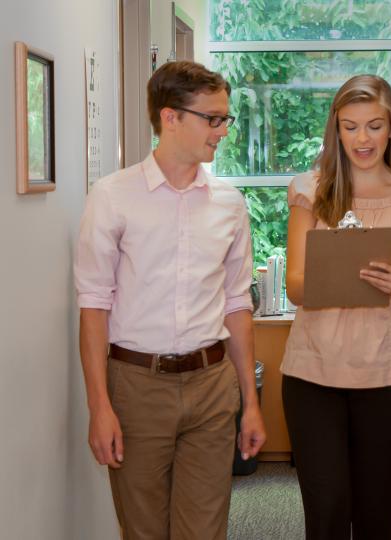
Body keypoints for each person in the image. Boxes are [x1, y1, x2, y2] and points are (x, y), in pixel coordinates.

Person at [74, 61, 266, 540]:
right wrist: (99, 406)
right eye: (212, 118)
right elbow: (94, 306)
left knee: (205, 530)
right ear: (170, 117)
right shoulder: (113, 197)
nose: (222, 130)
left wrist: (250, 402)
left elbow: (237, 304)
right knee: (143, 530)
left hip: (212, 385)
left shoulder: (229, 204)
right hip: (136, 385)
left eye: (226, 118)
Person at [281, 74, 391, 540]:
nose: (362, 139)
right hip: (314, 374)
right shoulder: (310, 191)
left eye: (374, 126)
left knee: (376, 514)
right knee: (326, 511)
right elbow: (294, 286)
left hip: (388, 375)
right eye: (350, 127)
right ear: (336, 129)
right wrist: (335, 270)